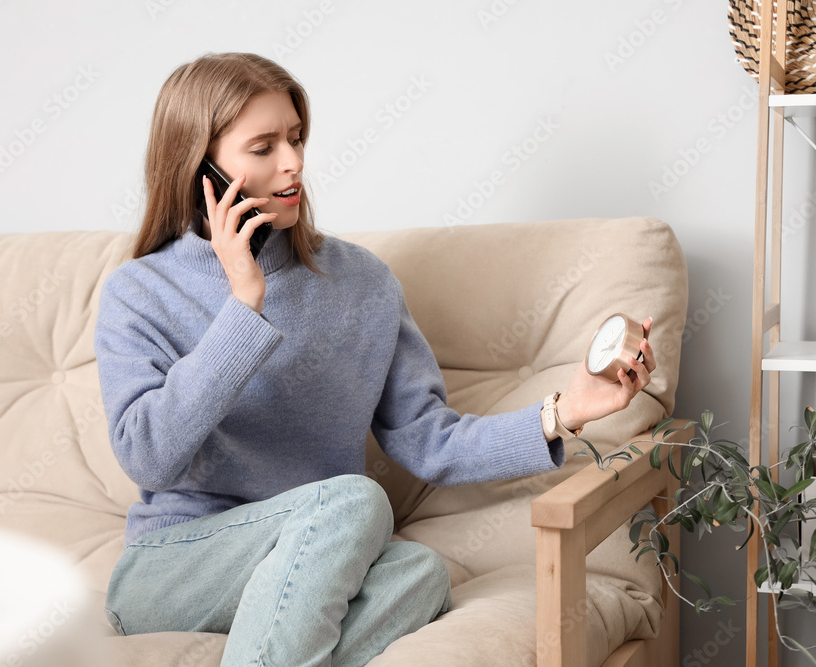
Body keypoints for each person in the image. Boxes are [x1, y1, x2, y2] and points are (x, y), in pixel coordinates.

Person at [94, 52, 656, 667]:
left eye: (297, 138)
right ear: (200, 166)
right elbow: (148, 455)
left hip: (315, 558)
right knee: (357, 501)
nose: (293, 163)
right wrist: (243, 305)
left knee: (419, 572)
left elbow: (427, 440)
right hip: (175, 567)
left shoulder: (361, 282)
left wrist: (565, 411)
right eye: (263, 148)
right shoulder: (139, 291)